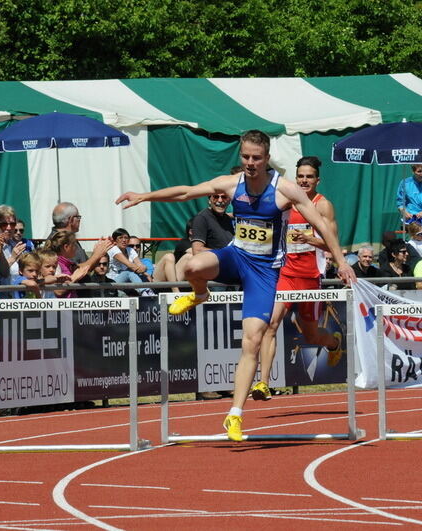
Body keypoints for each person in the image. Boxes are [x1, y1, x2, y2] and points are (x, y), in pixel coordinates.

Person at [116, 129, 355, 442]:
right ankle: (200, 293)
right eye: (245, 157)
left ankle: (235, 414)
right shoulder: (232, 183)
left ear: (267, 158)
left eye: (256, 158)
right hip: (236, 256)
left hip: (264, 272)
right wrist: (144, 196)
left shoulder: (285, 190)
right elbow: (187, 192)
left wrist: (342, 262)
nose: (250, 163)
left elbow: (322, 225)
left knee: (252, 340)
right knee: (192, 265)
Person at [253, 155, 344, 402]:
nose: (304, 181)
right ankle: (263, 382)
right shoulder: (285, 202)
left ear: (317, 180)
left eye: (309, 177)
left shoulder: (323, 206)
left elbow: (333, 244)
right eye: (301, 176)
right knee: (271, 324)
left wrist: (310, 239)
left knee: (311, 336)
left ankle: (334, 343)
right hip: (286, 274)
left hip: (311, 278)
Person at [106, 228, 150, 295]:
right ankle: (145, 291)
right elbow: (130, 265)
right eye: (120, 238)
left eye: (126, 238)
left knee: (134, 274)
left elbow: (140, 265)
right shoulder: (114, 249)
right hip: (113, 281)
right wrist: (144, 271)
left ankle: (147, 292)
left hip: (127, 281)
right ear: (115, 241)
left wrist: (144, 271)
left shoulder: (130, 250)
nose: (124, 240)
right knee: (128, 273)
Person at [0, 205, 31, 279]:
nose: (9, 228)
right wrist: (12, 258)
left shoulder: (14, 244)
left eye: (12, 224)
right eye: (4, 224)